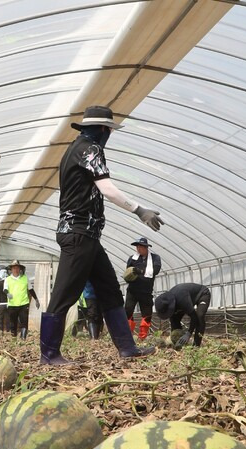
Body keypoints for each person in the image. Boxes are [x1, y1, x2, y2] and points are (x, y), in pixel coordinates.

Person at [41, 105, 163, 365]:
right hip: (78, 233)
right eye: (109, 130)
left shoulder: (75, 149)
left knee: (109, 290)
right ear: (102, 129)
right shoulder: (90, 149)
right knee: (64, 294)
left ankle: (127, 347)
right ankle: (49, 354)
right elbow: (106, 188)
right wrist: (139, 210)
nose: (109, 134)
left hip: (88, 236)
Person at [124, 237, 161, 340]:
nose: (138, 249)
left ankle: (142, 337)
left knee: (147, 314)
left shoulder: (155, 258)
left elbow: (156, 270)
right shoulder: (132, 258)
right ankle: (128, 335)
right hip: (133, 290)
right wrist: (131, 275)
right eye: (137, 247)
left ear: (146, 248)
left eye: (140, 247)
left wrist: (140, 271)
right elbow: (127, 272)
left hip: (146, 291)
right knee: (128, 311)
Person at [155, 283, 211, 347]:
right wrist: (174, 338)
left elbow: (194, 317)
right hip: (183, 299)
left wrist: (188, 334)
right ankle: (180, 343)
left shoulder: (182, 299)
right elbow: (173, 322)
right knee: (174, 319)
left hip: (202, 294)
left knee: (199, 316)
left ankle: (196, 345)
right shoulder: (168, 300)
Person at [4, 260, 39, 339]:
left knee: (24, 322)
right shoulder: (8, 279)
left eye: (17, 268)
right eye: (14, 268)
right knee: (13, 323)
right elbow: (5, 289)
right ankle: (14, 338)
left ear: (20, 269)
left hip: (24, 304)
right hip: (12, 305)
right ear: (11, 270)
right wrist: (7, 293)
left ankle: (23, 339)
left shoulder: (25, 278)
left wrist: (36, 299)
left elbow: (30, 289)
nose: (15, 270)